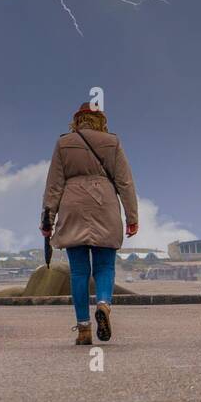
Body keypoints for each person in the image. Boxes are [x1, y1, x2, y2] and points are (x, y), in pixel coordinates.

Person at [42, 103, 139, 346]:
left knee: (78, 272)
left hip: (72, 204)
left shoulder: (64, 143)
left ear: (77, 120)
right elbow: (125, 182)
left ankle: (84, 328)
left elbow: (54, 185)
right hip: (104, 203)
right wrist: (132, 216)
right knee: (105, 266)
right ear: (100, 121)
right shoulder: (112, 142)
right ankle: (104, 304)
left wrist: (47, 220)